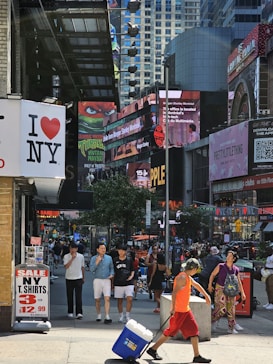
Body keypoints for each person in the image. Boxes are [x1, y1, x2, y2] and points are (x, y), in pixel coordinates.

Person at [146, 258, 211, 363]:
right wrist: (173, 308)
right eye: (197, 269)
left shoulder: (188, 277)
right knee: (170, 332)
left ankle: (197, 356)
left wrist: (206, 296)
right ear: (193, 269)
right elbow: (174, 293)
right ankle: (153, 349)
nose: (197, 271)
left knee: (194, 332)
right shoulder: (182, 277)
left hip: (186, 310)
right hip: (179, 311)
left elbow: (197, 285)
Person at [208, 250, 246, 334]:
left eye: (230, 256)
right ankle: (213, 321)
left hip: (231, 289)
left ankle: (231, 327)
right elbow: (213, 275)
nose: (228, 257)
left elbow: (239, 281)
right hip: (220, 288)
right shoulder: (221, 266)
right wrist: (210, 285)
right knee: (221, 308)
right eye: (227, 255)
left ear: (233, 259)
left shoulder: (236, 269)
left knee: (231, 308)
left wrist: (242, 293)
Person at [90, 242, 114, 324]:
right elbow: (91, 269)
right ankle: (99, 314)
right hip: (97, 279)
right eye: (101, 248)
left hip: (107, 280)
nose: (103, 250)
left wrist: (112, 274)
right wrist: (97, 262)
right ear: (97, 250)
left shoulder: (109, 258)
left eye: (104, 248)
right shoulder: (94, 258)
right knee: (97, 299)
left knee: (107, 298)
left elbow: (111, 268)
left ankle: (107, 315)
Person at [113, 244, 135, 323]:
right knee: (120, 300)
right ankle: (121, 315)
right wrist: (112, 283)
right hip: (118, 282)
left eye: (122, 250)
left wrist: (131, 276)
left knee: (129, 298)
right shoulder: (115, 260)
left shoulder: (129, 260)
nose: (121, 252)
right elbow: (113, 272)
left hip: (128, 282)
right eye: (119, 250)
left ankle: (127, 315)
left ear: (125, 251)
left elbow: (132, 270)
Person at [63, 242, 85, 319]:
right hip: (69, 278)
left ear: (77, 249)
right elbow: (66, 266)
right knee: (69, 296)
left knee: (78, 296)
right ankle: (70, 311)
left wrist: (83, 277)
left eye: (74, 248)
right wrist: (72, 258)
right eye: (71, 248)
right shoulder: (66, 256)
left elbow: (82, 267)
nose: (72, 250)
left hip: (78, 277)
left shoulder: (81, 256)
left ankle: (79, 312)